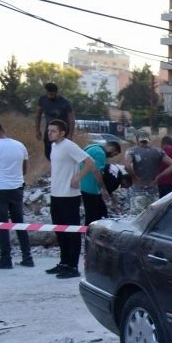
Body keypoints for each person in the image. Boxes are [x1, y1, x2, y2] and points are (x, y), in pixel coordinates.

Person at [46, 119, 106, 279]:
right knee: (60, 231)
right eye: (49, 130)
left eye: (53, 131)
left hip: (69, 196)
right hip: (56, 194)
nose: (49, 133)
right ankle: (64, 262)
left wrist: (77, 177)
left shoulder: (69, 145)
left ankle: (73, 266)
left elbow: (89, 162)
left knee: (71, 231)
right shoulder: (54, 146)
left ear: (62, 133)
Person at [0, 121, 34, 269]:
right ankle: (27, 257)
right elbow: (24, 170)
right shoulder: (19, 145)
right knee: (19, 223)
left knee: (2, 225)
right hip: (17, 188)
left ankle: (6, 259)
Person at [124, 132, 172, 215]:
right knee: (152, 219)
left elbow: (127, 166)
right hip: (153, 191)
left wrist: (134, 177)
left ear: (138, 140)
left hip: (138, 191)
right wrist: (158, 177)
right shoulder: (158, 151)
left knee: (137, 219)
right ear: (148, 140)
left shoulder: (132, 151)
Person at [34, 83, 76, 161]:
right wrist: (37, 130)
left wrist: (70, 134)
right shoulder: (42, 100)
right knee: (48, 152)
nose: (50, 96)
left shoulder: (65, 102)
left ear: (56, 92)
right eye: (49, 94)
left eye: (52, 94)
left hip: (62, 131)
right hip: (49, 129)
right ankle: (53, 167)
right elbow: (38, 114)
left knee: (61, 153)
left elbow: (71, 119)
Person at [77, 141, 109, 225]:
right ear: (112, 149)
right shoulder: (100, 153)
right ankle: (90, 235)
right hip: (91, 188)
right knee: (93, 216)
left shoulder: (92, 147)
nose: (112, 156)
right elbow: (97, 172)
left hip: (84, 184)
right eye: (114, 154)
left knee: (94, 213)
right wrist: (103, 188)